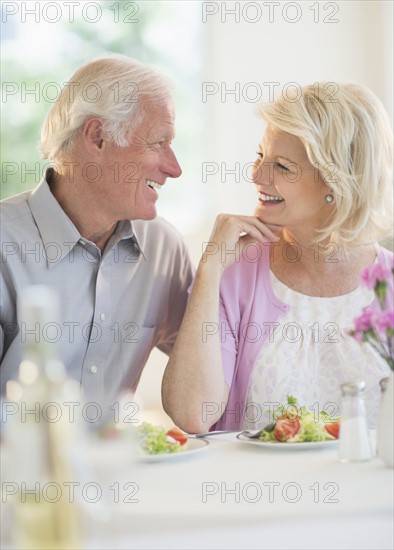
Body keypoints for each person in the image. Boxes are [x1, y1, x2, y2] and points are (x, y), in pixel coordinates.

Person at [162, 82, 393, 432]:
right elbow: (193, 414)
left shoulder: (386, 286)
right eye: (260, 157)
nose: (256, 175)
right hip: (254, 487)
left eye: (282, 167)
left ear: (336, 182)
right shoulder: (234, 273)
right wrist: (210, 268)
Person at [0, 55, 194, 416]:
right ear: (98, 137)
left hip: (121, 471)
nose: (174, 168)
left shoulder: (164, 248)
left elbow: (215, 386)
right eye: (158, 143)